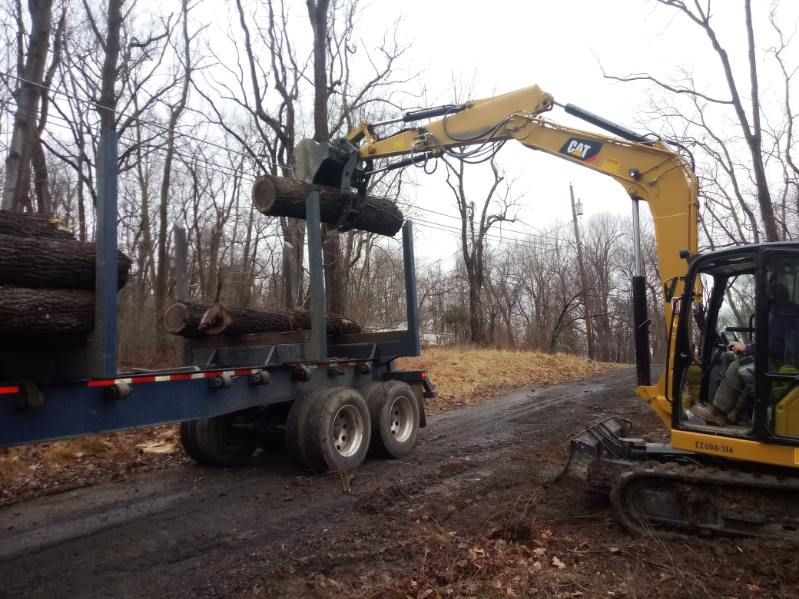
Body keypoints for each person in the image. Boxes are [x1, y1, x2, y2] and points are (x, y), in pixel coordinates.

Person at [692, 340, 755, 426]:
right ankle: (735, 415)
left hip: (775, 366)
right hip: (775, 365)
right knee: (746, 369)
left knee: (737, 366)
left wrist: (747, 348)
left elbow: (775, 346)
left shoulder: (777, 326)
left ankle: (717, 413)